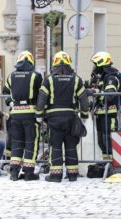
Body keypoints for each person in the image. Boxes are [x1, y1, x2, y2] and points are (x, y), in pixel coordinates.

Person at [36, 51, 89, 183]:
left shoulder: (49, 79)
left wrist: (39, 116)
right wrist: (84, 116)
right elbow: (84, 101)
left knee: (56, 146)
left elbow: (41, 100)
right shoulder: (76, 79)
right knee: (71, 146)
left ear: (54, 63)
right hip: (71, 117)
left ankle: (56, 175)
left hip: (54, 119)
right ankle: (72, 175)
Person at [3, 50, 42, 181]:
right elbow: (41, 95)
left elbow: (5, 93)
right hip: (30, 114)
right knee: (31, 143)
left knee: (16, 143)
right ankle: (28, 173)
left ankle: (14, 172)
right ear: (31, 61)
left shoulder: (11, 76)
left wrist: (11, 103)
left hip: (15, 114)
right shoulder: (36, 76)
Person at [90, 51, 120, 161]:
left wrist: (95, 92)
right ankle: (106, 163)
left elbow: (110, 95)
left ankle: (113, 165)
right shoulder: (101, 77)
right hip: (100, 114)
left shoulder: (111, 77)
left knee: (108, 140)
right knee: (101, 142)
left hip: (109, 114)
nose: (94, 67)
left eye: (96, 64)